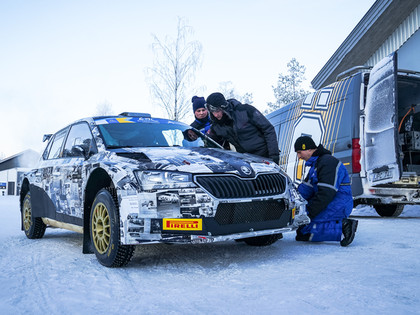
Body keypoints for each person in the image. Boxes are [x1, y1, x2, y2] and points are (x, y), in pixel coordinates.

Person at [294, 136, 358, 246]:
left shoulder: (327, 163)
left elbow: (326, 194)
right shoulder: (316, 165)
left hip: (338, 204)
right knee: (302, 228)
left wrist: (309, 213)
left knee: (306, 229)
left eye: (300, 152)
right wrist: (293, 201)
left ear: (309, 149)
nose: (299, 156)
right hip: (330, 202)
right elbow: (306, 190)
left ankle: (344, 225)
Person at [205, 92, 279, 164]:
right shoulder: (216, 127)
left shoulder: (245, 110)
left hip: (265, 157)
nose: (215, 115)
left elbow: (268, 129)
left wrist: (274, 155)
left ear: (223, 108)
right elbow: (210, 144)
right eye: (212, 112)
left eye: (218, 111)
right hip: (246, 162)